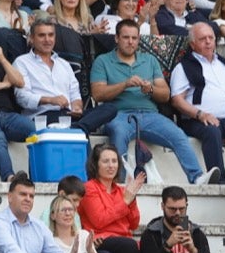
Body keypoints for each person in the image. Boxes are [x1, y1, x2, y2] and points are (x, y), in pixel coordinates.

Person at [89, 19, 208, 182]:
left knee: (179, 135)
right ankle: (120, 184)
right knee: (118, 133)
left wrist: (150, 89)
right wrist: (124, 84)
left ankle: (197, 178)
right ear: (116, 38)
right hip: (118, 115)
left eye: (134, 38)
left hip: (150, 115)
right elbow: (98, 94)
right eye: (125, 37)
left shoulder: (150, 60)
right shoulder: (103, 61)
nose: (130, 42)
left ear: (139, 39)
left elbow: (165, 94)